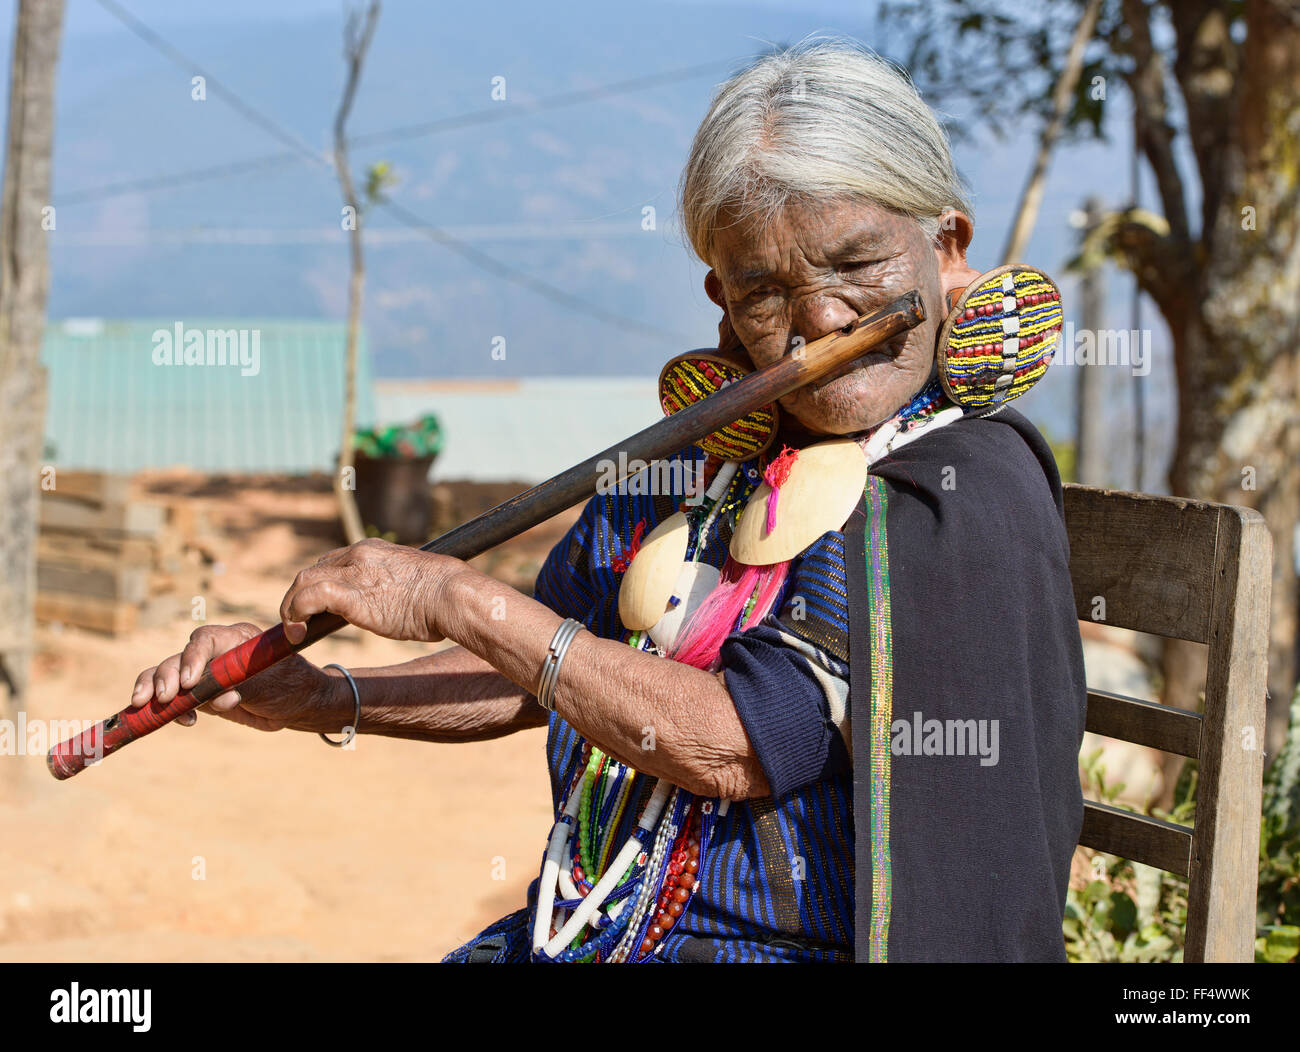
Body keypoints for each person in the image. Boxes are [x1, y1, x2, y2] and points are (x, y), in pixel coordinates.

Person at [130, 36, 1086, 962]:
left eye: (855, 263)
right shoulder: (700, 468)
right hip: (597, 931)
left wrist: (455, 597)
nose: (820, 320)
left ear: (947, 251)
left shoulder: (951, 490)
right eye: (765, 292)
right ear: (722, 302)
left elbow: (743, 743)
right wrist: (327, 696)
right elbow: (546, 665)